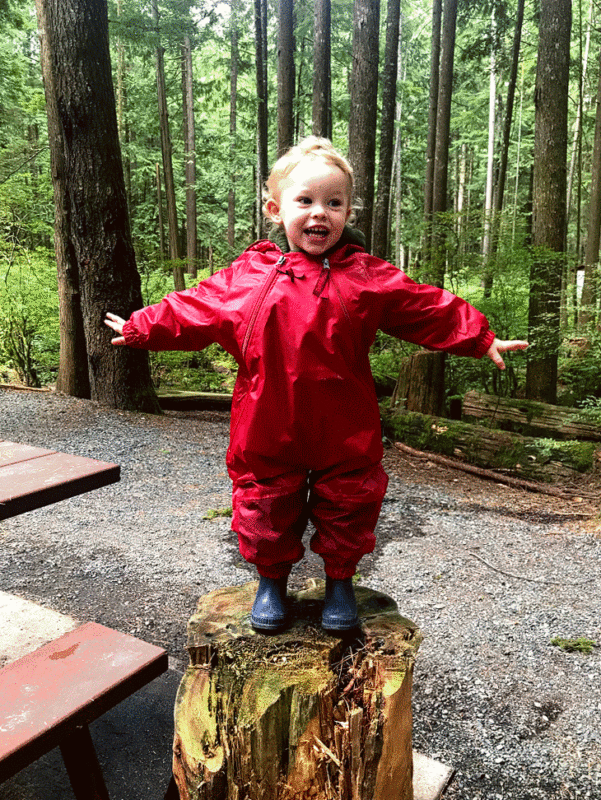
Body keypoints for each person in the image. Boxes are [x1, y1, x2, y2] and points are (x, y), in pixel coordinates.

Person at [105, 137, 528, 635]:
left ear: (348, 211)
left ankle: (340, 581)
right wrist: (142, 326)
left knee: (350, 499)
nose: (318, 214)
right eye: (304, 201)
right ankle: (271, 581)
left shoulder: (366, 277)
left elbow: (423, 306)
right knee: (264, 500)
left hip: (344, 424)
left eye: (333, 203)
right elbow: (194, 307)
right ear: (275, 208)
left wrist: (479, 338)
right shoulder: (250, 277)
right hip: (266, 422)